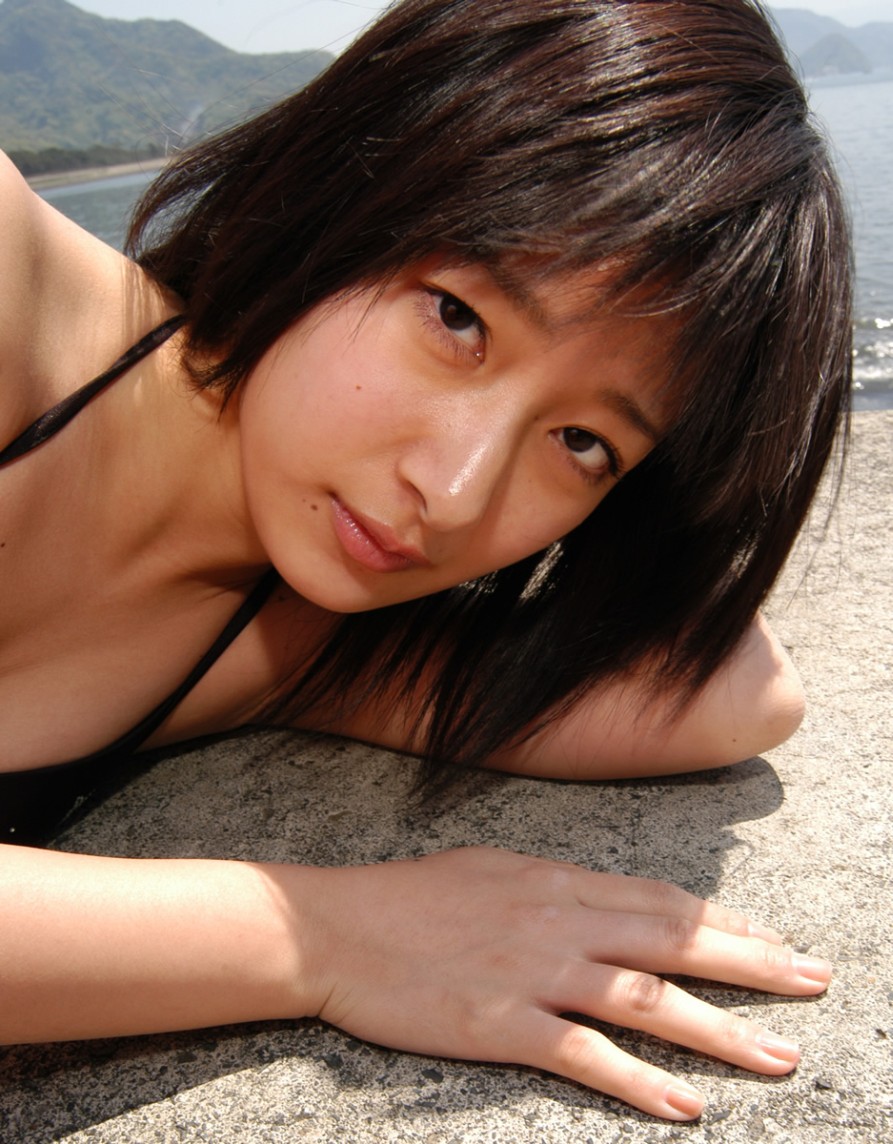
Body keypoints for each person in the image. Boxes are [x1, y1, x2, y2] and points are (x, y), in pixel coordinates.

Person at [0, 0, 850, 1122]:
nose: (453, 495)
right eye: (456, 318)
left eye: (581, 443)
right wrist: (324, 936)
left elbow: (738, 697)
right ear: (348, 191)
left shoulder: (300, 643)